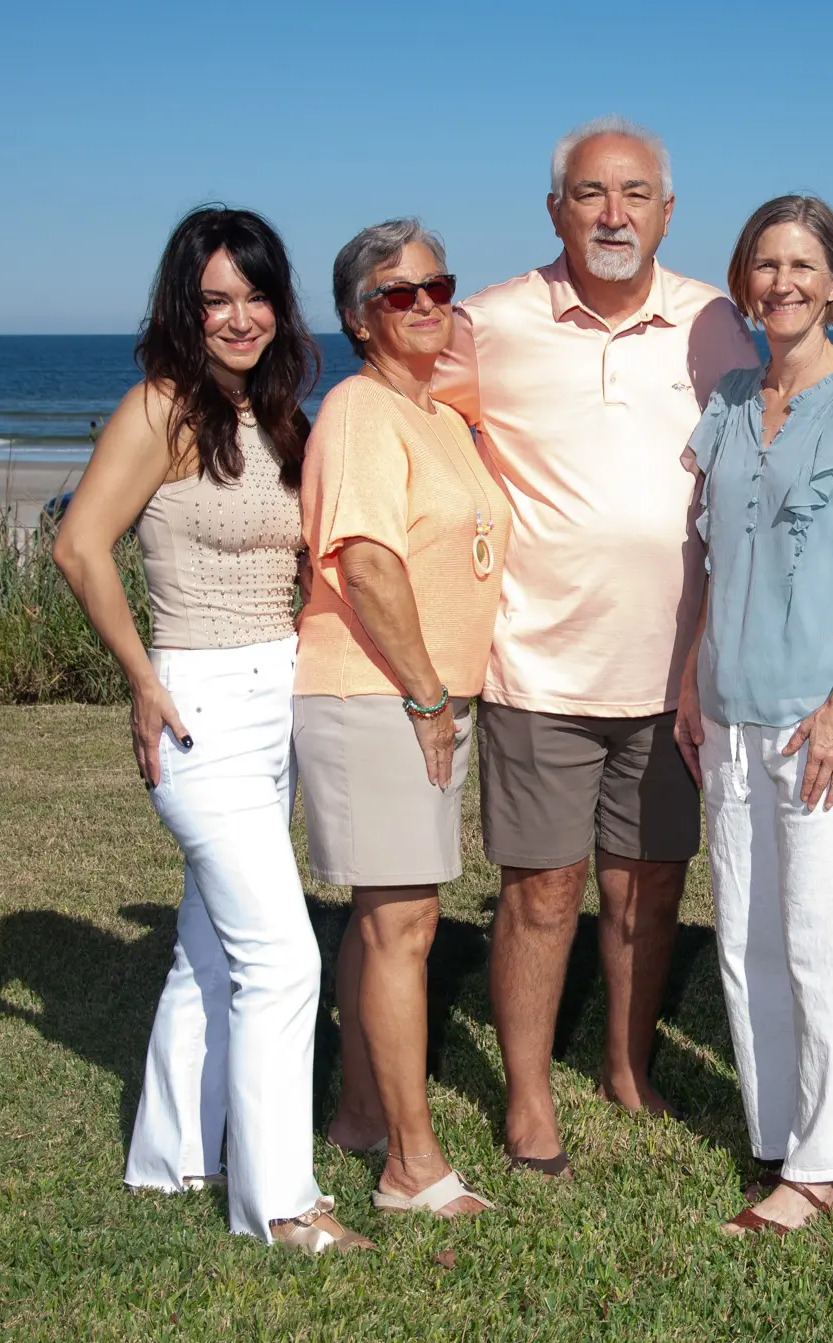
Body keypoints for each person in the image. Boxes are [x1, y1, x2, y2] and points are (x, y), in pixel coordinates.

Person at [431, 116, 757, 1175]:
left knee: (649, 886)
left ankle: (625, 1064)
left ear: (666, 209)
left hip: (674, 677)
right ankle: (527, 1099)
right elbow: (402, 431)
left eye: (632, 194)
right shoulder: (487, 324)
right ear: (554, 209)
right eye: (588, 194)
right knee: (537, 891)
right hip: (536, 663)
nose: (611, 214)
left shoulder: (718, 323)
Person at [52, 206, 368, 1253]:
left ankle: (172, 1156)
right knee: (281, 960)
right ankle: (280, 1204)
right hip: (194, 708)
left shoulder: (278, 413)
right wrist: (142, 679)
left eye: (255, 296)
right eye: (215, 301)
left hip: (274, 697)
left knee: (204, 950)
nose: (238, 319)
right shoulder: (162, 408)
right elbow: (80, 547)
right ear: (184, 311)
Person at [674, 194, 833, 1234]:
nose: (779, 281)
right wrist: (691, 682)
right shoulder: (729, 401)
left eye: (800, 265)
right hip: (730, 712)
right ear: (745, 282)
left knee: (829, 936)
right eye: (762, 264)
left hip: (823, 717)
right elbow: (703, 556)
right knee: (748, 938)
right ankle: (781, 1127)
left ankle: (825, 1166)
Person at [292, 219, 509, 1220]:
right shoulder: (359, 409)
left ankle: (359, 1116)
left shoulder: (433, 412)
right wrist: (427, 694)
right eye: (396, 293)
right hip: (378, 691)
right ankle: (410, 1166)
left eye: (436, 287)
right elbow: (368, 562)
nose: (423, 305)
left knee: (390, 917)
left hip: (416, 695)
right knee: (404, 927)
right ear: (355, 316)